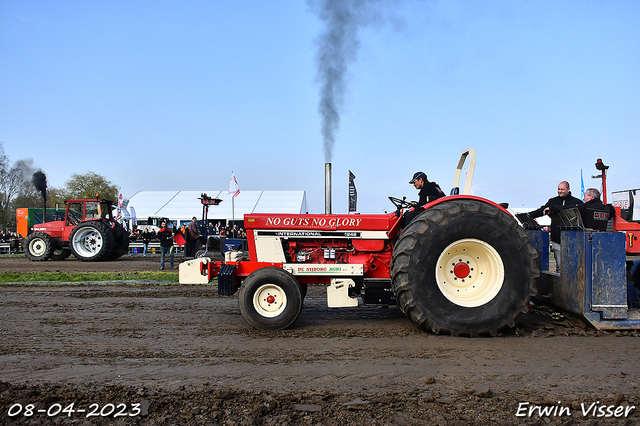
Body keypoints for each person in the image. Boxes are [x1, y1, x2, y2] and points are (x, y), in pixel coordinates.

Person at [528, 181, 583, 271]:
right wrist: (527, 215)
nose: (560, 191)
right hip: (557, 239)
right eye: (559, 189)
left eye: (562, 189)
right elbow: (541, 211)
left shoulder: (577, 202)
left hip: (573, 239)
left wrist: (554, 208)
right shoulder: (553, 201)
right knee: (560, 266)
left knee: (573, 266)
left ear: (568, 189)